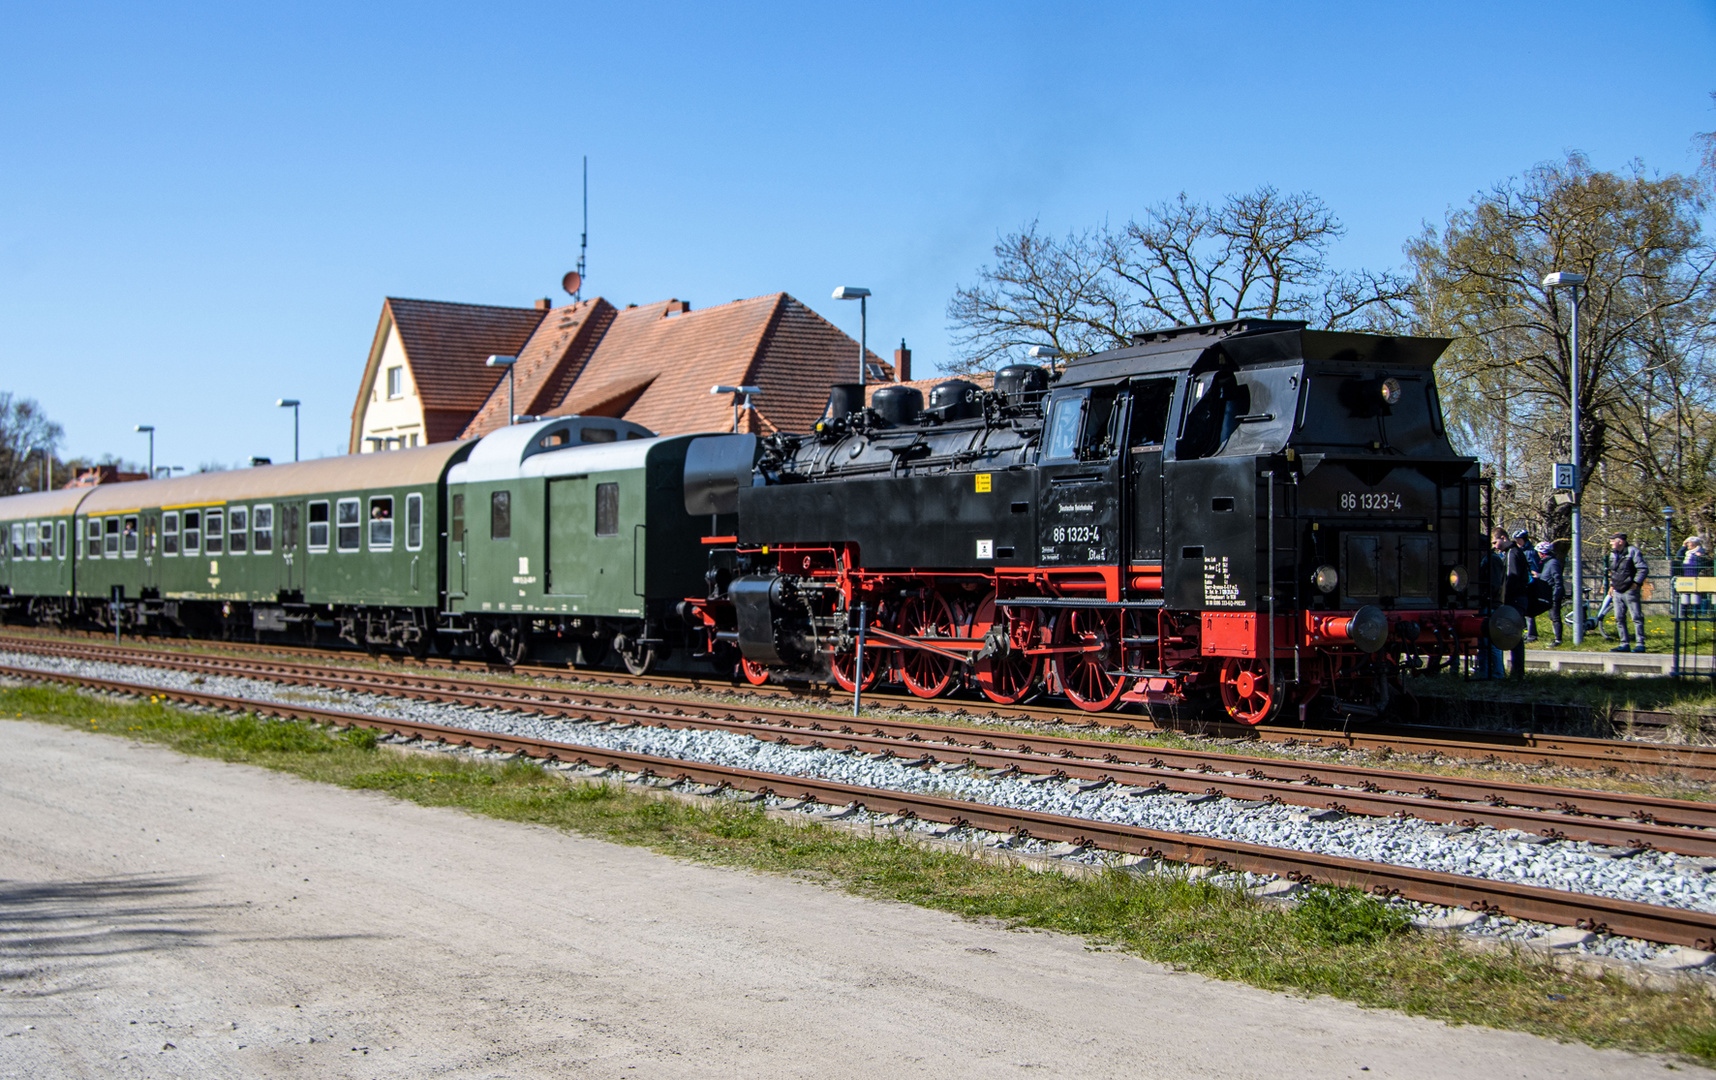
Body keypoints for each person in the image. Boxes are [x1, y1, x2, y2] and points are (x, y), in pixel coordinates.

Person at [1604, 532, 1649, 653]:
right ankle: (1624, 643)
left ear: (1621, 541)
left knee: (1636, 617)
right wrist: (1612, 585)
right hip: (1617, 590)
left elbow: (1642, 568)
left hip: (1630, 590)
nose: (1611, 543)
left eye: (1613, 540)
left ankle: (1640, 644)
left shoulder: (1633, 552)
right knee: (1619, 617)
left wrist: (1636, 583)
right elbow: (1613, 571)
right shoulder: (1613, 554)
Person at [1514, 528, 1541, 642]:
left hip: (1529, 583)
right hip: (1523, 582)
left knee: (1529, 611)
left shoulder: (1530, 552)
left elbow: (1535, 569)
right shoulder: (1520, 550)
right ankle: (1526, 631)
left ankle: (1532, 634)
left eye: (1518, 540)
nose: (1517, 542)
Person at [1536, 541, 1565, 645]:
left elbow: (1557, 580)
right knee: (1552, 616)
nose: (1539, 555)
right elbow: (1546, 576)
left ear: (1543, 553)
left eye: (1539, 552)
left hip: (1554, 593)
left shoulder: (1553, 563)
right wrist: (1538, 576)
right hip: (1549, 593)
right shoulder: (1547, 563)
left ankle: (1558, 639)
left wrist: (1555, 595)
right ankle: (1556, 638)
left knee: (1555, 617)